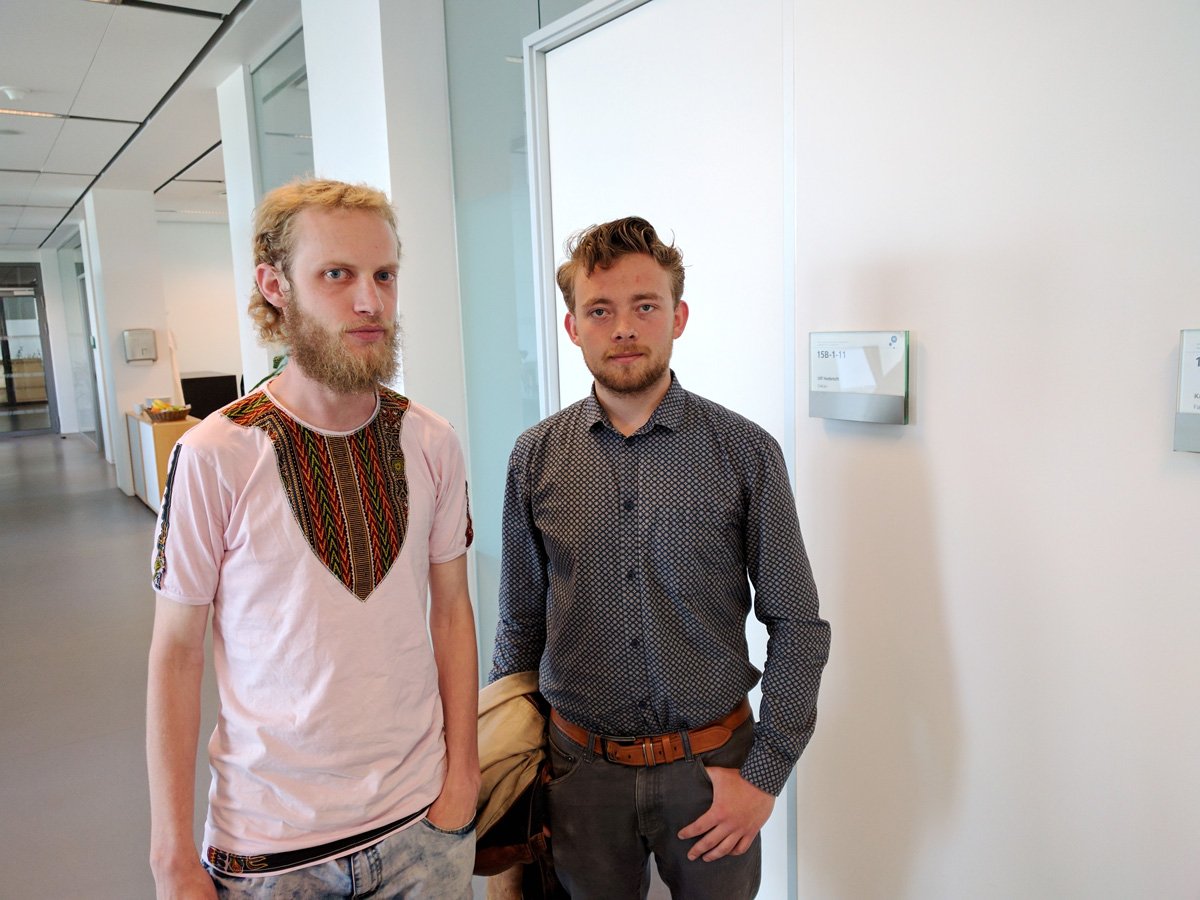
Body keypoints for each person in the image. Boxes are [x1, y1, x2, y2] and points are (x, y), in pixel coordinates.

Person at [146, 179, 479, 899]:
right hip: (272, 850)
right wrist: (172, 858)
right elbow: (175, 655)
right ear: (275, 286)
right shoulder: (215, 455)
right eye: (337, 275)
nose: (370, 302)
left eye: (383, 275)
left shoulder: (431, 440)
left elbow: (451, 611)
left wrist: (464, 778)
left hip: (421, 827)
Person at [490, 216, 830, 899]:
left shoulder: (744, 452)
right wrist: (518, 773)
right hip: (578, 775)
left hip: (713, 773)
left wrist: (765, 776)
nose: (623, 328)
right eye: (600, 310)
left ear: (677, 317)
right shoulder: (535, 457)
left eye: (644, 307)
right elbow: (519, 629)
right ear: (572, 327)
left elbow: (798, 626)